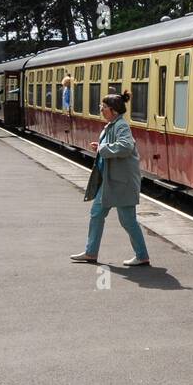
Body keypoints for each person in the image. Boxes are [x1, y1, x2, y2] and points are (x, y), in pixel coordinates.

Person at [70, 92, 150, 267]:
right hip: (110, 181)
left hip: (122, 182)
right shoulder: (111, 125)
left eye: (104, 107)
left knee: (127, 220)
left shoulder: (121, 126)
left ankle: (142, 255)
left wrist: (102, 148)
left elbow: (126, 146)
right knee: (96, 214)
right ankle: (91, 252)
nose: (101, 109)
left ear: (113, 110)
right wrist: (101, 148)